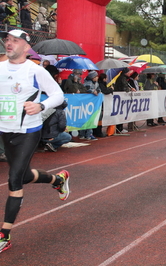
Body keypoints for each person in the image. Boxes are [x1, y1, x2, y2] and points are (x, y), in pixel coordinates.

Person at [0, 29, 70, 253]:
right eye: (7, 40)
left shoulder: (35, 71)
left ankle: (4, 235)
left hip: (28, 131)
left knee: (14, 179)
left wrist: (41, 106)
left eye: (15, 40)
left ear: (27, 47)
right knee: (25, 174)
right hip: (5, 131)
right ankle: (57, 180)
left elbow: (58, 95)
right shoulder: (0, 68)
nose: (9, 43)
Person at [78, 70, 99, 140]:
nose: (97, 77)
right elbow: (86, 90)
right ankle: (84, 134)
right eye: (96, 76)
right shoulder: (87, 83)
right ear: (93, 77)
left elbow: (99, 89)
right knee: (86, 118)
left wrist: (97, 91)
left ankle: (88, 133)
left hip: (92, 103)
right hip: (86, 103)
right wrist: (93, 91)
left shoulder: (96, 83)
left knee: (90, 118)